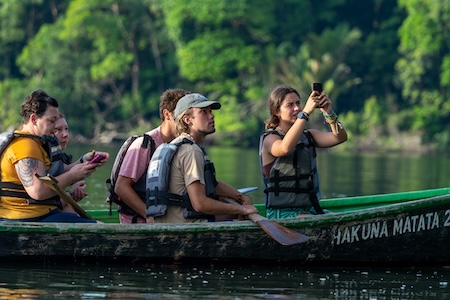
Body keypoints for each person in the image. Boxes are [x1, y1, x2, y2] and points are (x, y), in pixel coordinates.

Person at [146, 93, 258, 223]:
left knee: (229, 208)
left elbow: (211, 184)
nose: (212, 116)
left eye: (210, 111)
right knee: (239, 216)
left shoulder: (177, 145)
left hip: (168, 224)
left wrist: (240, 197)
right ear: (188, 120)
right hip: (185, 229)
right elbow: (200, 204)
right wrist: (242, 210)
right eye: (204, 112)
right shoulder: (191, 150)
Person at [0, 89, 108, 223]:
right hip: (28, 219)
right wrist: (73, 175)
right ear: (34, 119)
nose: (56, 126)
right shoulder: (25, 146)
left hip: (42, 215)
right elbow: (38, 191)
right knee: (101, 227)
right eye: (52, 121)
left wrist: (82, 162)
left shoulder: (35, 142)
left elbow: (49, 174)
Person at [260, 85, 348, 219]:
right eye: (290, 105)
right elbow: (284, 148)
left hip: (309, 209)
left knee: (336, 218)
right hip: (281, 213)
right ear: (277, 111)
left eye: (298, 103)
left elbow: (340, 137)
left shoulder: (309, 136)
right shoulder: (270, 139)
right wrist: (305, 113)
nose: (296, 108)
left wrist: (329, 113)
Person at [115, 88, 191, 224]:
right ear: (167, 114)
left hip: (169, 219)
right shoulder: (144, 145)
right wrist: (149, 216)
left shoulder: (182, 145)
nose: (187, 120)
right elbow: (121, 187)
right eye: (183, 114)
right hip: (139, 223)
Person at [51, 113, 88, 202]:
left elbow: (64, 169)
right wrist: (71, 193)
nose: (65, 134)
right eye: (58, 130)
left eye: (66, 129)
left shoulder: (55, 155)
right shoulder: (40, 158)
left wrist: (85, 160)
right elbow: (53, 206)